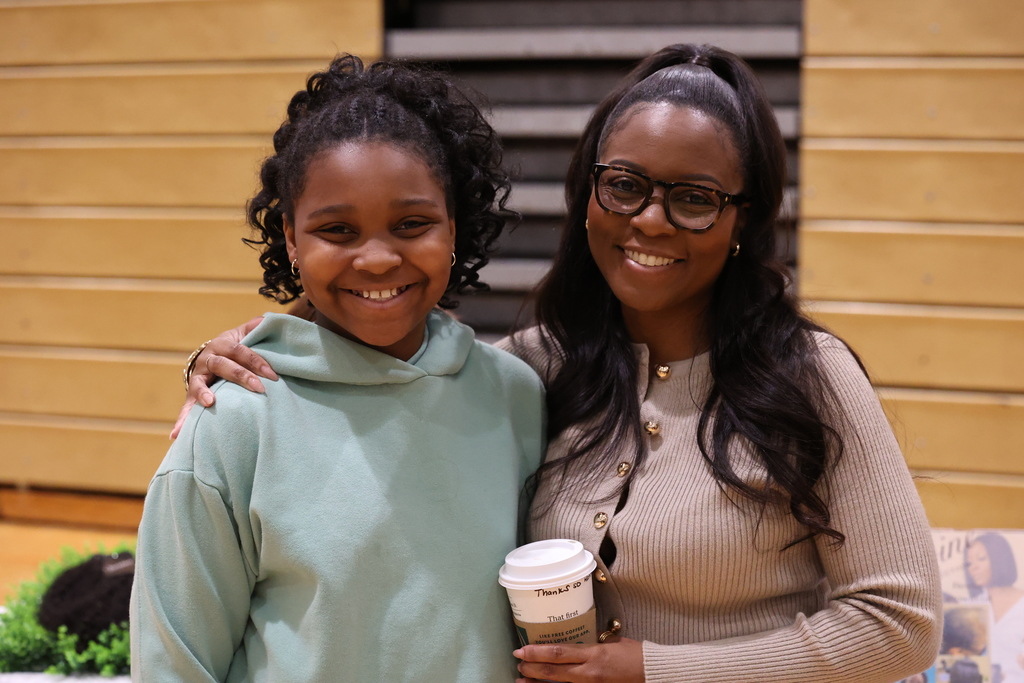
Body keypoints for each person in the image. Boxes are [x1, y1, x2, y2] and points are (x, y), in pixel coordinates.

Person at [179, 44, 942, 682]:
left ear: (743, 218)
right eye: (626, 185)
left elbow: (901, 624)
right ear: (588, 196)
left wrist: (654, 669)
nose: (650, 218)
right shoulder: (539, 368)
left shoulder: (810, 374)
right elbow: (393, 351)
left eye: (695, 197)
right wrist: (257, 349)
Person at [131, 55, 545, 682]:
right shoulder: (234, 419)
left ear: (454, 228)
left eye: (411, 224)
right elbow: (174, 662)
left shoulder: (514, 395)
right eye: (337, 230)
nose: (377, 258)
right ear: (292, 241)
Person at [965, 533, 1024, 683]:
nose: (973, 568)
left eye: (981, 559)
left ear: (1000, 559)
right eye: (969, 563)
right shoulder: (971, 607)